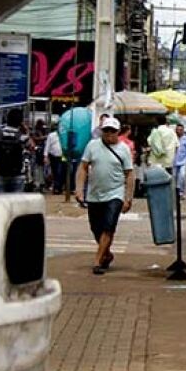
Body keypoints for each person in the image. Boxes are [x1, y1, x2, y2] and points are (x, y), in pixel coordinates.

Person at [75, 116, 133, 275]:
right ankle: (106, 254)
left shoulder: (124, 149)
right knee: (96, 229)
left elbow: (129, 174)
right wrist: (79, 190)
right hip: (95, 194)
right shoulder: (92, 146)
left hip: (115, 193)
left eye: (112, 131)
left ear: (118, 132)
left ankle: (97, 261)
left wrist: (128, 198)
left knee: (109, 226)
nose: (109, 134)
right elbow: (83, 167)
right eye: (106, 130)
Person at [0, 108, 29, 193]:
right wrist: (26, 131)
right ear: (20, 122)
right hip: (17, 175)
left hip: (0, 174)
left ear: (7, 119)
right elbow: (32, 147)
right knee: (16, 201)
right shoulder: (22, 137)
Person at [173, 124, 186, 197]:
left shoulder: (185, 139)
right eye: (177, 130)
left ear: (183, 131)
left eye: (180, 130)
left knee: (182, 176)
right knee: (174, 177)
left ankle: (181, 191)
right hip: (174, 162)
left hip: (183, 162)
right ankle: (175, 191)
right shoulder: (173, 138)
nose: (179, 131)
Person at [45, 125, 64, 194]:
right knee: (56, 172)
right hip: (53, 156)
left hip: (62, 156)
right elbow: (47, 145)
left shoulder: (64, 135)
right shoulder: (51, 135)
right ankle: (56, 188)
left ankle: (59, 187)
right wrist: (45, 156)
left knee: (61, 171)